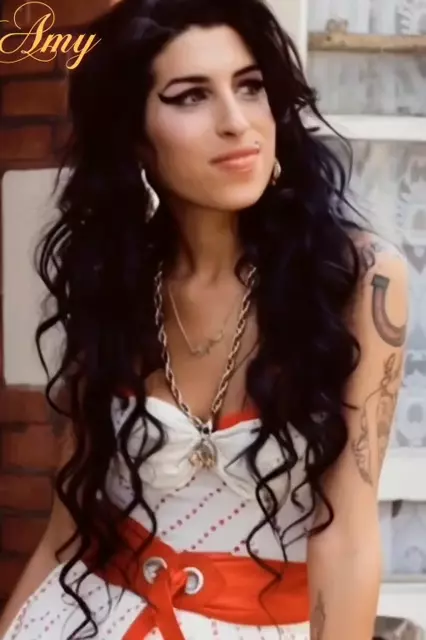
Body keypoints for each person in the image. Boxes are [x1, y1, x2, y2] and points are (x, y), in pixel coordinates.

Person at [0, 0, 409, 638]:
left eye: (250, 86)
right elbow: (67, 527)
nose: (236, 122)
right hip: (91, 617)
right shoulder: (115, 280)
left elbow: (348, 538)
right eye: (191, 96)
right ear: (135, 136)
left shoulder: (358, 281)